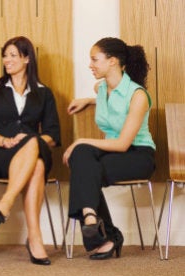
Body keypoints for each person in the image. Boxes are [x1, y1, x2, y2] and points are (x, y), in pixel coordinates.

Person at [0, 36, 61, 265]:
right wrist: (5, 141)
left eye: (13, 55)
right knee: (38, 165)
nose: (7, 60)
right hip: (1, 154)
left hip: (34, 149)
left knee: (34, 145)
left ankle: (7, 202)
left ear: (27, 58)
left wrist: (30, 140)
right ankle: (35, 238)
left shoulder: (44, 92)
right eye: (5, 55)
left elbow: (53, 135)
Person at [64, 37, 154, 260]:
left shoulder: (138, 95)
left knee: (83, 160)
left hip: (137, 155)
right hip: (111, 151)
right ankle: (91, 217)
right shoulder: (101, 87)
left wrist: (80, 141)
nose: (90, 65)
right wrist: (88, 100)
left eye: (95, 59)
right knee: (83, 158)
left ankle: (105, 233)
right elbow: (107, 95)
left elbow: (123, 144)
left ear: (112, 61)